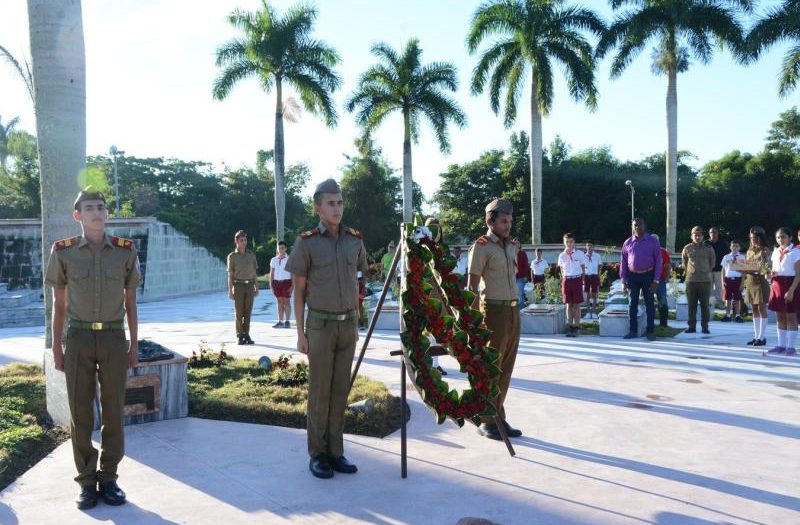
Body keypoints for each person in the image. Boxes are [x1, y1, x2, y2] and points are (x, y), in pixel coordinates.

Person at [44, 187, 141, 509]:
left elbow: (131, 303)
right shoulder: (63, 251)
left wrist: (133, 344)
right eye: (89, 208)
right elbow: (58, 306)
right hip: (79, 339)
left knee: (114, 411)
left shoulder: (125, 251)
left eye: (101, 207)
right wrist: (58, 348)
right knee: (80, 412)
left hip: (114, 337)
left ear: (107, 213)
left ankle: (109, 477)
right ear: (78, 216)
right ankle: (86, 481)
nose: (97, 212)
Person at [286, 178, 368, 479]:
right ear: (318, 207)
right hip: (319, 325)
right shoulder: (307, 242)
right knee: (320, 392)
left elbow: (362, 275)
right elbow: (299, 291)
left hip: (347, 327)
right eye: (331, 203)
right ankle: (317, 454)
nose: (337, 208)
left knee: (339, 392)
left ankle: (336, 451)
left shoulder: (354, 239)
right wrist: (300, 333)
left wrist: (357, 313)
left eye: (340, 202)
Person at [468, 198, 522, 441]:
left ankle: (498, 415)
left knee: (506, 368)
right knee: (491, 368)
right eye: (503, 221)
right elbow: (471, 286)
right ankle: (486, 420)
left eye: (510, 221)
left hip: (512, 311)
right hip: (492, 312)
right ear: (490, 221)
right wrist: (471, 322)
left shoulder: (511, 245)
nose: (508, 225)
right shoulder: (481, 247)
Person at [620, 218, 662, 341]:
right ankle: (632, 330)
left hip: (648, 276)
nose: (637, 227)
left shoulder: (653, 241)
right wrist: (623, 280)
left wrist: (656, 280)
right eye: (635, 225)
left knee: (649, 304)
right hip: (632, 277)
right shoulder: (627, 243)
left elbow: (658, 261)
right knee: (632, 304)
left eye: (639, 225)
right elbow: (623, 262)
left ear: (645, 226)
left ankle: (650, 331)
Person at [766, 227, 800, 355]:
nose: (781, 239)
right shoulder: (775, 252)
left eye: (783, 236)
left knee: (791, 316)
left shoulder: (795, 252)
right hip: (777, 285)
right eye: (778, 237)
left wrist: (791, 290)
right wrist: (769, 274)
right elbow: (775, 269)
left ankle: (790, 347)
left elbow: (798, 274)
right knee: (779, 316)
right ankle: (781, 345)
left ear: (790, 238)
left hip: (791, 284)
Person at [681, 226, 716, 334]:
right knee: (691, 305)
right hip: (691, 281)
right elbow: (684, 263)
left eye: (699, 235)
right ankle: (692, 326)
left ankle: (705, 326)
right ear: (691, 236)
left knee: (705, 305)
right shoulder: (687, 248)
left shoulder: (708, 248)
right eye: (695, 235)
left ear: (702, 236)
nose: (697, 236)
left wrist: (705, 271)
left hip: (705, 281)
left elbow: (712, 263)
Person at [227, 230, 259, 345]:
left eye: (245, 240)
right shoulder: (232, 257)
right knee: (239, 313)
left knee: (248, 312)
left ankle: (247, 334)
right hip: (239, 285)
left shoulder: (251, 255)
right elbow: (230, 275)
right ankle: (240, 335)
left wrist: (257, 287)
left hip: (250, 285)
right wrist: (230, 290)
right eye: (241, 240)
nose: (244, 242)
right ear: (236, 241)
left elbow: (254, 273)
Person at [743, 226, 772, 347]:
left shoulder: (766, 250)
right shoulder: (749, 251)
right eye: (751, 238)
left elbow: (768, 268)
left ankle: (762, 337)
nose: (752, 240)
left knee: (761, 308)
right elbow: (747, 265)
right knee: (753, 309)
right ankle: (756, 336)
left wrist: (760, 267)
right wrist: (743, 268)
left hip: (761, 281)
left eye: (755, 238)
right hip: (750, 281)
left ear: (760, 238)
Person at [558, 233, 587, 336]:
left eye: (570, 241)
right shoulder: (562, 255)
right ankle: (570, 326)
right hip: (567, 280)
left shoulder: (579, 254)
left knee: (576, 304)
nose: (569, 244)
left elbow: (583, 268)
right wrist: (564, 279)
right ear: (564, 242)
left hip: (577, 279)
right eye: (566, 242)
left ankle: (577, 326)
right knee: (568, 304)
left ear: (574, 242)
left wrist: (583, 282)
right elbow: (561, 269)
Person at [720, 240, 745, 323]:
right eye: (733, 246)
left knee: (738, 298)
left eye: (736, 246)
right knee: (728, 298)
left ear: (739, 248)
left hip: (737, 280)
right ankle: (727, 315)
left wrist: (742, 283)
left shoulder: (742, 257)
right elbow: (723, 270)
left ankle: (738, 315)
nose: (735, 248)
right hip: (728, 279)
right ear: (730, 247)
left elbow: (744, 271)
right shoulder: (726, 257)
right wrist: (723, 281)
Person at [269, 241, 293, 328]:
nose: (281, 250)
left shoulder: (289, 259)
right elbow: (272, 273)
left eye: (283, 248)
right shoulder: (273, 260)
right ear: (277, 249)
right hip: (276, 283)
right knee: (279, 302)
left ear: (285, 249)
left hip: (287, 282)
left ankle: (287, 321)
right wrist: (271, 284)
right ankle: (280, 321)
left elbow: (292, 273)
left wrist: (293, 285)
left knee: (286, 301)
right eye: (279, 248)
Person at [651, 234, 672, 328]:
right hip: (648, 280)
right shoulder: (646, 251)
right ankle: (649, 323)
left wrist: (667, 277)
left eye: (656, 241)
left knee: (662, 301)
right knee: (648, 301)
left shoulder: (663, 252)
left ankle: (663, 324)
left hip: (660, 280)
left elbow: (667, 265)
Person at [707, 226, 727, 308]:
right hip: (708, 270)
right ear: (709, 234)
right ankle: (710, 304)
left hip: (719, 270)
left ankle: (720, 304)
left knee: (720, 288)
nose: (713, 234)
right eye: (711, 232)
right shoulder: (705, 244)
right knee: (709, 288)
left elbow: (727, 256)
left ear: (717, 233)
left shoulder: (723, 244)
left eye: (714, 232)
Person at [583, 241, 602, 319]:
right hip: (587, 276)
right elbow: (582, 266)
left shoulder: (597, 256)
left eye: (590, 245)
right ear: (586, 247)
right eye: (588, 246)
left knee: (594, 294)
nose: (589, 247)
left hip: (594, 276)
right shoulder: (583, 256)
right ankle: (588, 312)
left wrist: (597, 274)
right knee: (587, 295)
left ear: (593, 246)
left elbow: (600, 265)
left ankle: (594, 312)